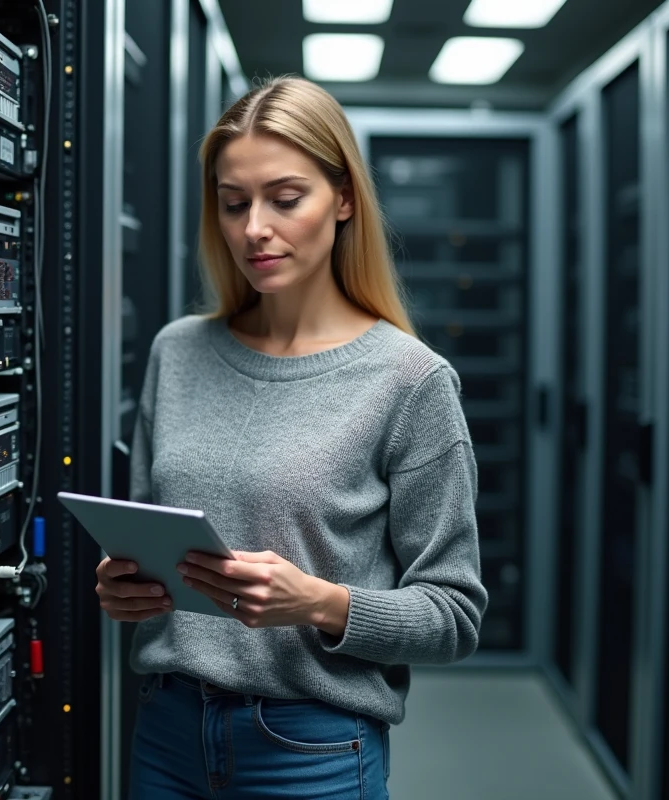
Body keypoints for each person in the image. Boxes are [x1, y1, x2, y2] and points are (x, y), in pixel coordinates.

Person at [95, 76, 488, 799]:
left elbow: (453, 616)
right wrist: (125, 587)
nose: (254, 229)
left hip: (312, 750)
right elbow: (150, 538)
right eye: (233, 202)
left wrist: (319, 602)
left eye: (284, 198)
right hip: (166, 734)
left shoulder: (410, 381)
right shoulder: (176, 351)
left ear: (343, 199)